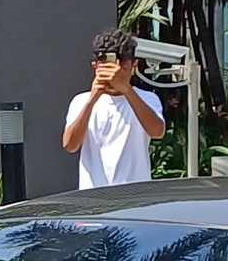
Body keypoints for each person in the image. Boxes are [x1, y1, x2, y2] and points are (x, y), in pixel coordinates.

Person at [63, 28, 165, 189]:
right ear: (95, 66)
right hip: (94, 199)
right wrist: (93, 98)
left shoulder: (147, 99)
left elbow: (157, 131)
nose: (114, 73)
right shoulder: (81, 101)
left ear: (134, 66)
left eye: (122, 66)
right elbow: (70, 145)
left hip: (136, 196)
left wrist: (125, 89)